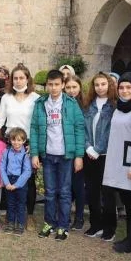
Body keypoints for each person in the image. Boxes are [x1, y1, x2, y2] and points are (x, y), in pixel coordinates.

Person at [31, 70, 85, 241]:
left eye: (56, 84)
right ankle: (49, 222)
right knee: (49, 191)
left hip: (66, 156)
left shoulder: (71, 103)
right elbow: (34, 128)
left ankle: (63, 225)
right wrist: (34, 154)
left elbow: (79, 129)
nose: (53, 88)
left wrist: (79, 155)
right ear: (46, 85)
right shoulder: (40, 103)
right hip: (47, 155)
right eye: (50, 84)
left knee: (64, 192)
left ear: (62, 85)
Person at [101, 72, 131, 249]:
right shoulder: (119, 107)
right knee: (127, 201)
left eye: (129, 87)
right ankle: (130, 238)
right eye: (121, 87)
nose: (125, 91)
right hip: (117, 161)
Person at [0, 64, 41, 214]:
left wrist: (34, 146)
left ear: (27, 79)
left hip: (28, 143)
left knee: (28, 180)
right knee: (10, 176)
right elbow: (0, 121)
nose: (18, 81)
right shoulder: (6, 98)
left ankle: (28, 215)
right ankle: (10, 212)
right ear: (11, 80)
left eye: (21, 78)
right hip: (10, 142)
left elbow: (39, 124)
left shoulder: (36, 98)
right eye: (15, 78)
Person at [83, 72, 117, 238]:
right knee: (92, 191)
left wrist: (98, 149)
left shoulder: (114, 105)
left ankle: (109, 228)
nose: (100, 87)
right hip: (90, 155)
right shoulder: (89, 105)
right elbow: (82, 127)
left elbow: (111, 130)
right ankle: (95, 224)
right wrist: (88, 147)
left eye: (103, 84)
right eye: (97, 84)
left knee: (107, 193)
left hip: (105, 155)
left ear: (109, 85)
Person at [64, 75, 87, 230]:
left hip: (80, 150)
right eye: (68, 87)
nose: (71, 90)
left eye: (74, 87)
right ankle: (64, 215)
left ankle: (79, 217)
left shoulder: (85, 105)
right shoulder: (62, 104)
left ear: (79, 88)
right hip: (64, 150)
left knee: (78, 185)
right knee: (66, 185)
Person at [0, 127, 32, 235]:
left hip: (20, 182)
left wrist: (17, 185)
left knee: (20, 204)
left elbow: (27, 171)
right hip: (9, 180)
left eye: (19, 140)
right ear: (10, 140)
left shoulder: (26, 154)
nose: (16, 142)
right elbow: (2, 168)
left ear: (23, 141)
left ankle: (20, 224)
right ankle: (10, 223)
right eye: (14, 140)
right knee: (10, 203)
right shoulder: (6, 152)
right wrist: (7, 183)